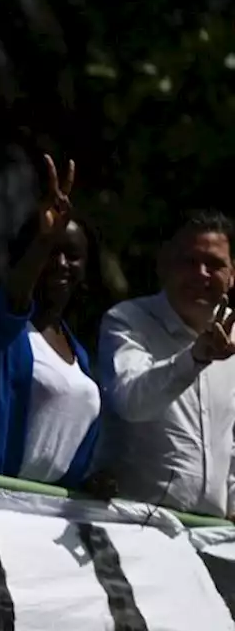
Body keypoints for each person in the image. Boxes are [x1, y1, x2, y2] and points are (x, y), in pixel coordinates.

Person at [0, 157, 104, 488]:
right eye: (49, 251)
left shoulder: (80, 356)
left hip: (31, 519)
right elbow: (1, 323)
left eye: (71, 255)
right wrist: (42, 240)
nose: (59, 263)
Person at [99, 210, 235, 518]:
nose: (201, 273)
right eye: (189, 261)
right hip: (140, 526)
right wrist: (195, 358)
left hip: (213, 535)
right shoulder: (127, 321)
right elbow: (130, 402)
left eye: (214, 264)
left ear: (232, 275)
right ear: (164, 267)